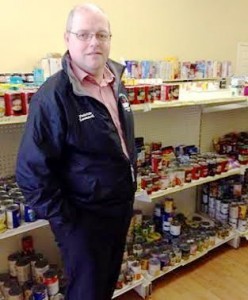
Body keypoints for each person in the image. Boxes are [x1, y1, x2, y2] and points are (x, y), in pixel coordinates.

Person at [16, 3, 136, 300]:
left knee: (105, 284)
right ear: (67, 39)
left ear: (110, 39)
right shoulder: (52, 97)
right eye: (84, 34)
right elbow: (31, 174)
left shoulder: (115, 81)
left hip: (118, 210)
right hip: (83, 220)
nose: (94, 42)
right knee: (86, 293)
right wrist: (69, 223)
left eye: (101, 34)